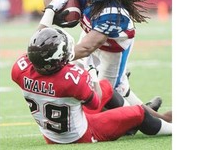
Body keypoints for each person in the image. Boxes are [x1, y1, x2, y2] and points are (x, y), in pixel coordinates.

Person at [42, 0, 161, 108]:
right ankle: (145, 111)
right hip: (92, 29)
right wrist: (52, 11)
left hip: (113, 45)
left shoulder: (113, 11)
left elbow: (86, 48)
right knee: (74, 72)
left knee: (105, 98)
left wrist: (53, 58)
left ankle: (150, 119)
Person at [11, 26, 172, 144]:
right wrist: (91, 72)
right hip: (80, 135)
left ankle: (128, 125)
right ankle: (169, 127)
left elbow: (38, 53)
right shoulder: (71, 78)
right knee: (138, 112)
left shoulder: (19, 69)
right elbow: (95, 104)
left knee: (106, 86)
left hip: (52, 132)